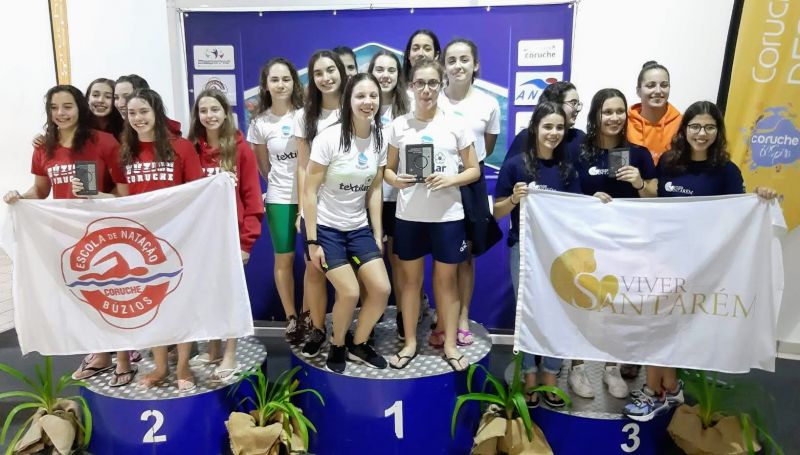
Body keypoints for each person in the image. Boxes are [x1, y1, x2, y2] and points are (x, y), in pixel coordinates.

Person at [622, 100, 778, 421]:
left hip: (701, 265)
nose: (701, 133)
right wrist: (636, 186)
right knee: (656, 324)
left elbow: (739, 214)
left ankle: (656, 392)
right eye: (695, 126)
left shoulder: (726, 171)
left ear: (718, 131)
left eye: (709, 127)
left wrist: (760, 197)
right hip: (664, 257)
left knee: (670, 327)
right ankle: (668, 387)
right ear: (685, 129)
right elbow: (656, 199)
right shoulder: (669, 163)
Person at [3, 85, 132, 386]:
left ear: (80, 108)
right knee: (83, 296)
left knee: (112, 295)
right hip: (66, 236)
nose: (60, 113)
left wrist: (97, 196)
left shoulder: (103, 142)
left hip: (103, 232)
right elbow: (40, 191)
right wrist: (17, 197)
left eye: (67, 106)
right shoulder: (44, 147)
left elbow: (124, 192)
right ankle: (99, 354)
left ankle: (124, 359)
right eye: (54, 108)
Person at [384, 59, 480, 371]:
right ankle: (410, 343)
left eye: (432, 83)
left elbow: (474, 170)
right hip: (409, 217)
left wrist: (450, 179)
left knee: (446, 283)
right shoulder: (398, 126)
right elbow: (387, 170)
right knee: (410, 283)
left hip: (447, 218)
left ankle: (450, 345)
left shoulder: (456, 125)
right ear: (411, 86)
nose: (426, 89)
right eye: (420, 83)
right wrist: (396, 180)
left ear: (441, 85)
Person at [569, 88, 658, 400]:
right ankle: (577, 367)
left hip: (624, 244)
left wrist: (638, 183)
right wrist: (587, 199)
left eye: (620, 111)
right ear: (596, 115)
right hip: (585, 243)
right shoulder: (578, 153)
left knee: (616, 308)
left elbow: (655, 198)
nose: (615, 117)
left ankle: (611, 368)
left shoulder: (639, 154)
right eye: (608, 111)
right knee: (580, 305)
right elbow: (564, 194)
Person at [494, 102, 581, 408]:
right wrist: (514, 199)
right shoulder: (515, 165)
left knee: (557, 312)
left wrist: (596, 200)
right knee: (527, 314)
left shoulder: (568, 169)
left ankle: (552, 374)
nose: (553, 133)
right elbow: (497, 211)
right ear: (535, 128)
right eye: (548, 127)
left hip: (560, 254)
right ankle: (529, 374)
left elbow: (579, 211)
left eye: (559, 127)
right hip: (524, 249)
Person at [303, 73, 391, 374]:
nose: (368, 102)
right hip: (326, 229)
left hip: (358, 228)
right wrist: (312, 241)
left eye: (373, 96)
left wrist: (377, 233)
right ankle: (337, 343)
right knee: (350, 292)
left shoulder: (380, 137)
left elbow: (375, 189)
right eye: (360, 96)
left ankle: (359, 343)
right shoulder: (328, 138)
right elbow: (309, 191)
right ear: (348, 100)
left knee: (381, 290)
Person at [120, 89, 204, 391]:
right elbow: (123, 200)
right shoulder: (126, 151)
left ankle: (183, 366)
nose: (138, 118)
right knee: (152, 305)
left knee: (180, 303)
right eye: (132, 113)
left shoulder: (181, 147)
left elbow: (198, 192)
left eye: (143, 111)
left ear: (156, 112)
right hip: (142, 243)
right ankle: (160, 366)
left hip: (178, 238)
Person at [188, 89, 263, 381]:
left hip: (230, 238)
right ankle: (213, 348)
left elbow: (252, 201)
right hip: (200, 238)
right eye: (203, 110)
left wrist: (246, 243)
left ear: (225, 113)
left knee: (230, 296)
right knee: (207, 294)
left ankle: (230, 353)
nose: (209, 115)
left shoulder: (240, 150)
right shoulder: (191, 150)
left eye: (215, 109)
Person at [439, 38, 501, 347]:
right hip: (436, 184)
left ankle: (462, 317)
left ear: (475, 64)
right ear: (443, 66)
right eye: (451, 60)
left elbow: (485, 148)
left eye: (464, 59)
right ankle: (442, 319)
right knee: (442, 258)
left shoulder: (488, 104)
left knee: (465, 257)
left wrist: (464, 171)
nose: (458, 65)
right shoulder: (432, 99)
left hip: (469, 185)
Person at [247, 57, 308, 343]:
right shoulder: (260, 123)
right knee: (284, 259)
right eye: (275, 79)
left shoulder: (306, 115)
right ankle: (292, 318)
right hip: (279, 199)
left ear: (294, 82)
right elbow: (263, 168)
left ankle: (309, 315)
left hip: (311, 198)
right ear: (266, 85)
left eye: (286, 79)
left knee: (313, 261)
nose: (281, 84)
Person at [295, 50, 346, 358]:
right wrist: (302, 209)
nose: (326, 78)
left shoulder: (355, 108)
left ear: (341, 71)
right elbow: (302, 167)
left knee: (347, 274)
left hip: (350, 207)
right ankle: (317, 327)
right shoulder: (305, 117)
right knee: (314, 269)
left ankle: (343, 329)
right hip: (317, 206)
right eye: (318, 73)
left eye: (331, 70)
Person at [368, 50, 411, 340]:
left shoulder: (408, 109)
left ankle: (403, 316)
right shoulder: (361, 105)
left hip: (399, 198)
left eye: (391, 70)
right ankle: (368, 320)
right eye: (379, 69)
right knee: (368, 262)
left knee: (399, 261)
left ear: (399, 75)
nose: (385, 75)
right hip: (366, 197)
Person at [505, 81, 584, 163]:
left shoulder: (578, 138)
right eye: (573, 103)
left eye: (578, 104)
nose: (578, 109)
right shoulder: (526, 137)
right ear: (555, 104)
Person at [627, 61, 682, 165]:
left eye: (664, 85)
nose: (658, 91)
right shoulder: (624, 123)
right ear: (638, 91)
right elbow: (617, 166)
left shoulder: (682, 124)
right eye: (650, 85)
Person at [114, 74, 183, 136]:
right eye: (116, 97)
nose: (120, 104)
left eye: (127, 97)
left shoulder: (171, 133)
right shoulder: (118, 128)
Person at [402, 30, 441, 95]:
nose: (421, 54)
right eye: (415, 49)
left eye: (427, 49)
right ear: (409, 55)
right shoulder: (397, 88)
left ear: (436, 55)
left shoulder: (444, 90)